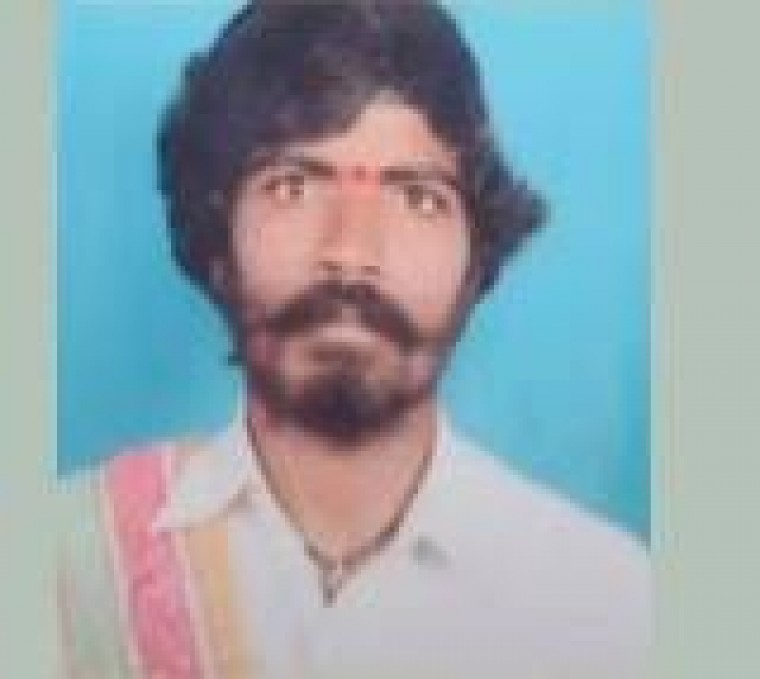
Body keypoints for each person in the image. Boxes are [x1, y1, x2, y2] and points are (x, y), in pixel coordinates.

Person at [58, 1, 650, 677]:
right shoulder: (60, 568)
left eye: (417, 197)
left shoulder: (607, 607)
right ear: (216, 240)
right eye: (292, 186)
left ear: (475, 262)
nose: (351, 254)